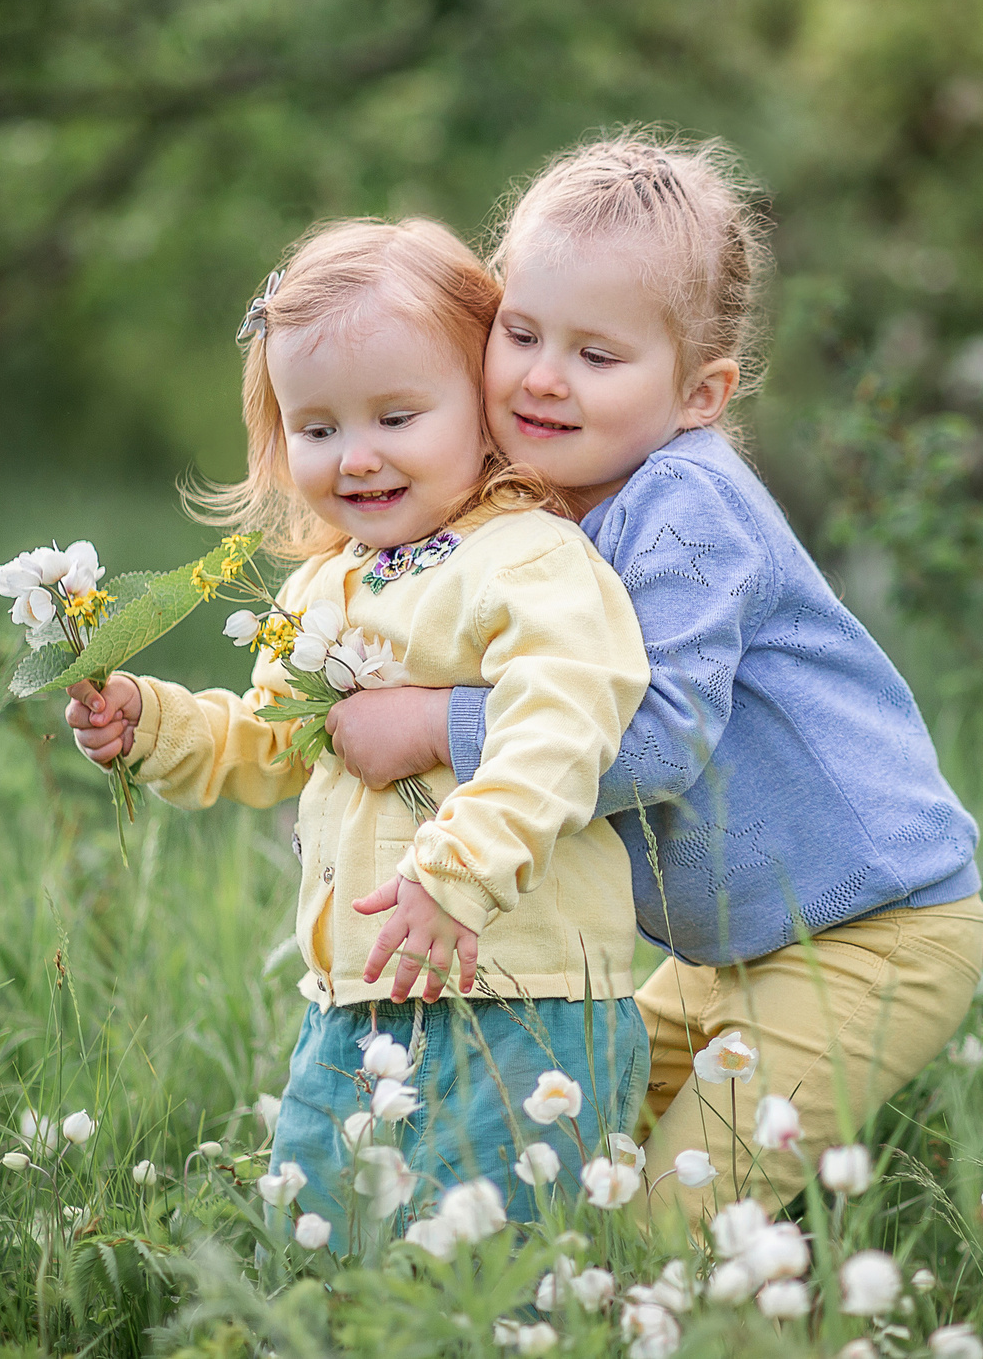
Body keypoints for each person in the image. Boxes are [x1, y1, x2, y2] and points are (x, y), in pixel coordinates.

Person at [326, 133, 983, 1224]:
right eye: (522, 334)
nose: (541, 376)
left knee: (665, 1222)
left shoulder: (687, 510)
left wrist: (442, 724)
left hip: (871, 936)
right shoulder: (538, 501)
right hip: (723, 953)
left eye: (597, 355)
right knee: (568, 1178)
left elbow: (654, 738)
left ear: (698, 392)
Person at [63, 218, 651, 1250]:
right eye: (318, 428)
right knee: (321, 1236)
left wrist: (455, 873)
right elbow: (272, 741)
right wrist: (153, 723)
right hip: (354, 1003)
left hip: (517, 991)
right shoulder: (321, 586)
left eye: (396, 415)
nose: (357, 456)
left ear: (484, 408)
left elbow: (560, 727)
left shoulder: (525, 562)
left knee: (487, 1259)